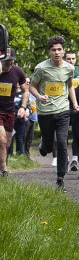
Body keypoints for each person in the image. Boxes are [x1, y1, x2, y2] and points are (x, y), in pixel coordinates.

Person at [30, 36, 79, 190]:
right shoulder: (41, 68)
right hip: (45, 112)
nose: (57, 52)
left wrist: (75, 103)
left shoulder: (69, 68)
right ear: (49, 52)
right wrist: (39, 96)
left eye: (59, 49)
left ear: (63, 50)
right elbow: (32, 86)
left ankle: (60, 179)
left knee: (62, 142)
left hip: (63, 110)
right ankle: (44, 146)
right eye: (54, 50)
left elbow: (70, 86)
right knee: (48, 146)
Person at [0, 48, 29, 176]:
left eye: (12, 61)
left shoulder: (17, 71)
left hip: (10, 111)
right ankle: (3, 170)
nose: (10, 64)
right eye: (7, 62)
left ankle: (3, 165)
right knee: (1, 140)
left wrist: (23, 107)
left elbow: (25, 90)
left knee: (7, 143)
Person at [65, 50, 79, 173]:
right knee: (62, 135)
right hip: (64, 106)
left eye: (73, 58)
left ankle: (74, 159)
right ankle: (64, 156)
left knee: (77, 133)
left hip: (77, 107)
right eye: (68, 59)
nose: (71, 61)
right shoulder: (61, 70)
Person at [23, 78, 38, 160]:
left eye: (29, 82)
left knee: (30, 138)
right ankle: (22, 154)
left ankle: (27, 155)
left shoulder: (33, 93)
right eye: (26, 82)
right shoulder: (23, 93)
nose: (28, 84)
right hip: (26, 118)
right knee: (24, 137)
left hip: (33, 118)